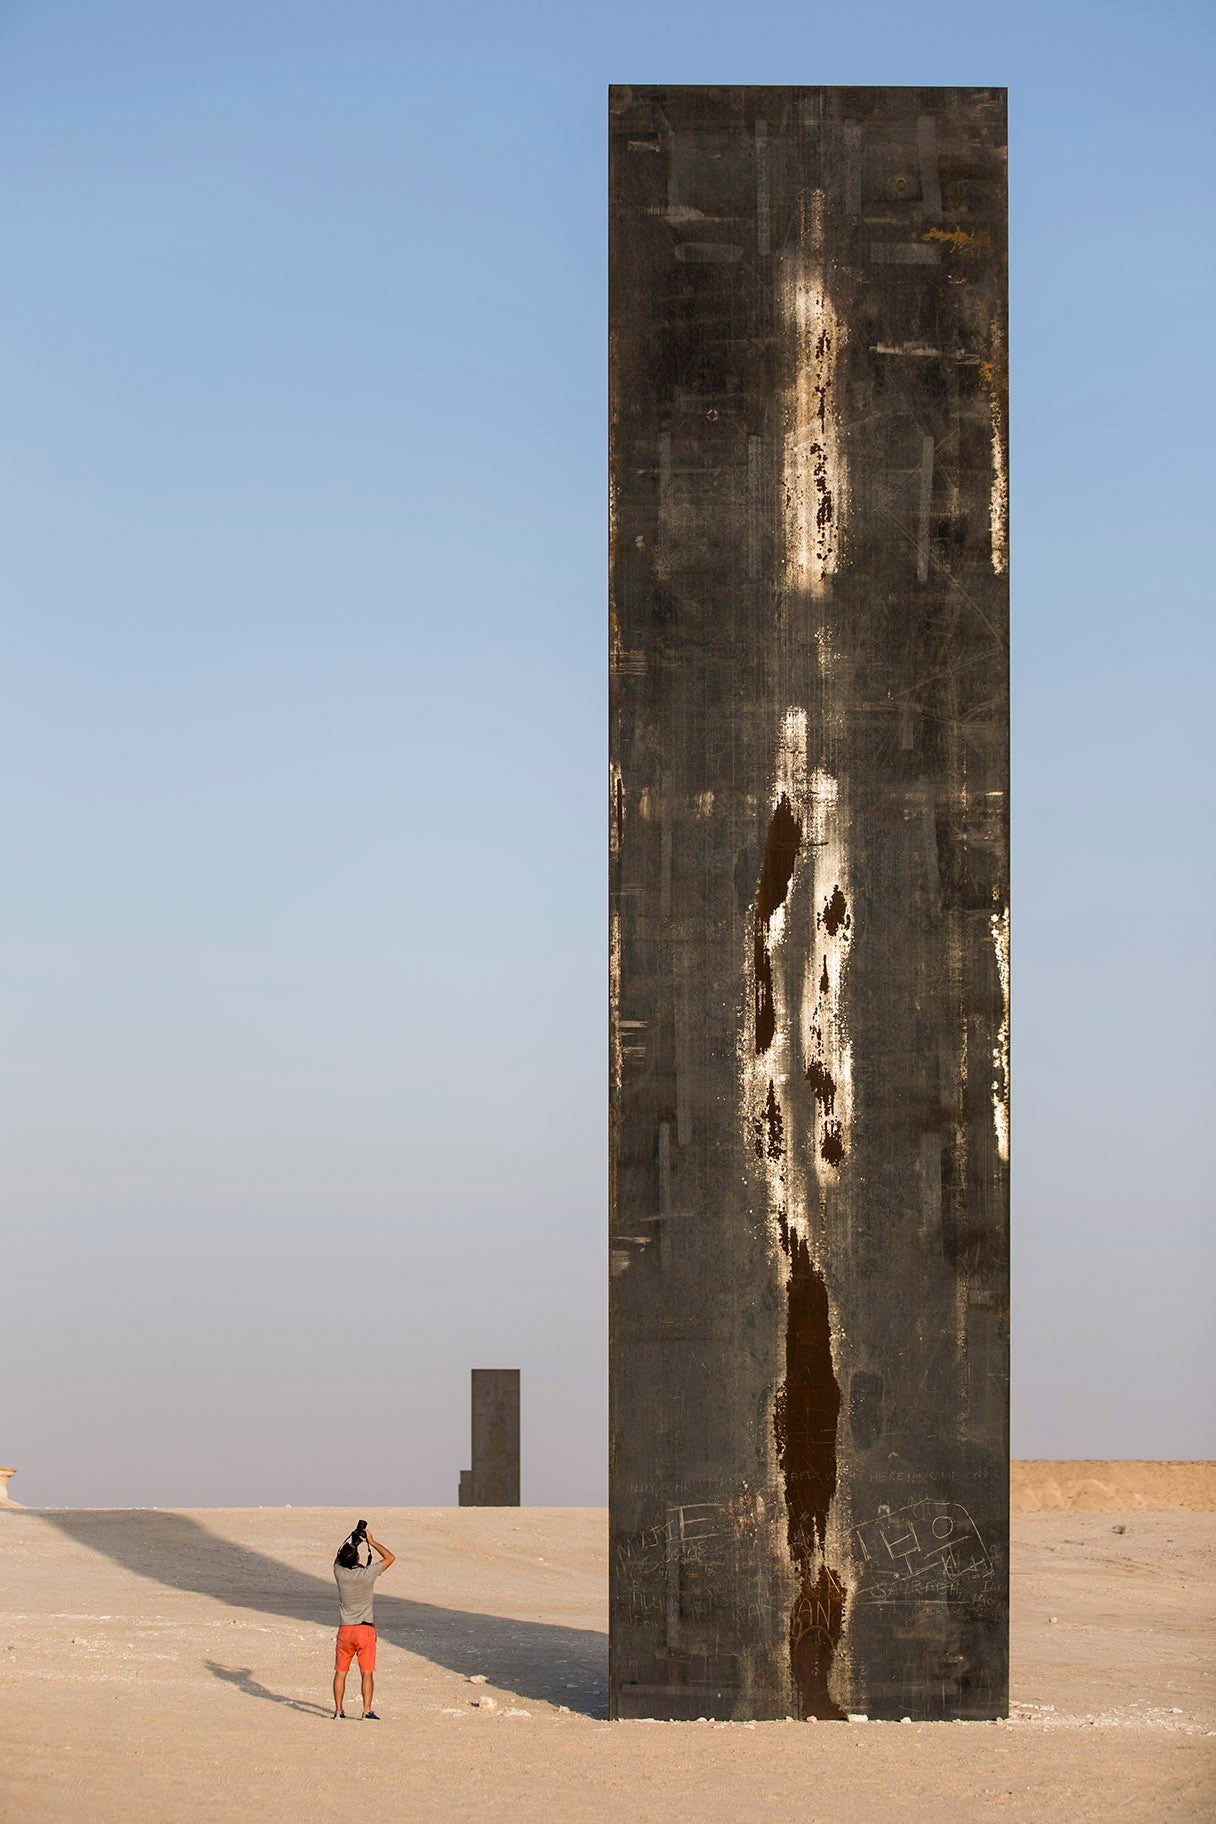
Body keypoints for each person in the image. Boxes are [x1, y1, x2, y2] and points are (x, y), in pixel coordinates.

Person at [332, 1519, 395, 1719]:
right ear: (358, 1557)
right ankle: (366, 1711)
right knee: (366, 1672)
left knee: (341, 1672)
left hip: (345, 1630)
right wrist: (371, 1542)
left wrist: (353, 1544)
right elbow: (390, 1557)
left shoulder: (339, 1573)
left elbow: (338, 1559)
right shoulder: (368, 1574)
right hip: (365, 1629)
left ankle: (338, 1710)